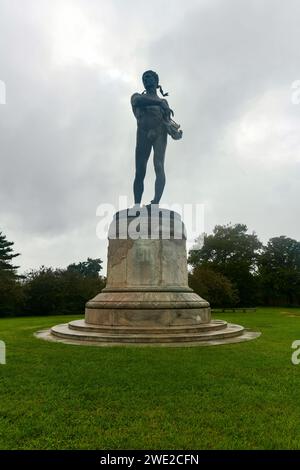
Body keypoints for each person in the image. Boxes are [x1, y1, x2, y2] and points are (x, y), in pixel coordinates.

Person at [131, 70, 182, 206]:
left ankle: (156, 202)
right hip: (142, 132)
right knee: (140, 171)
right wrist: (160, 103)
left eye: (149, 77)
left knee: (159, 166)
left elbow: (167, 121)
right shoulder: (137, 97)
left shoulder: (163, 102)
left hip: (159, 132)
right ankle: (137, 204)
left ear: (156, 81)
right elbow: (138, 101)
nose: (146, 79)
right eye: (144, 78)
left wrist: (174, 132)